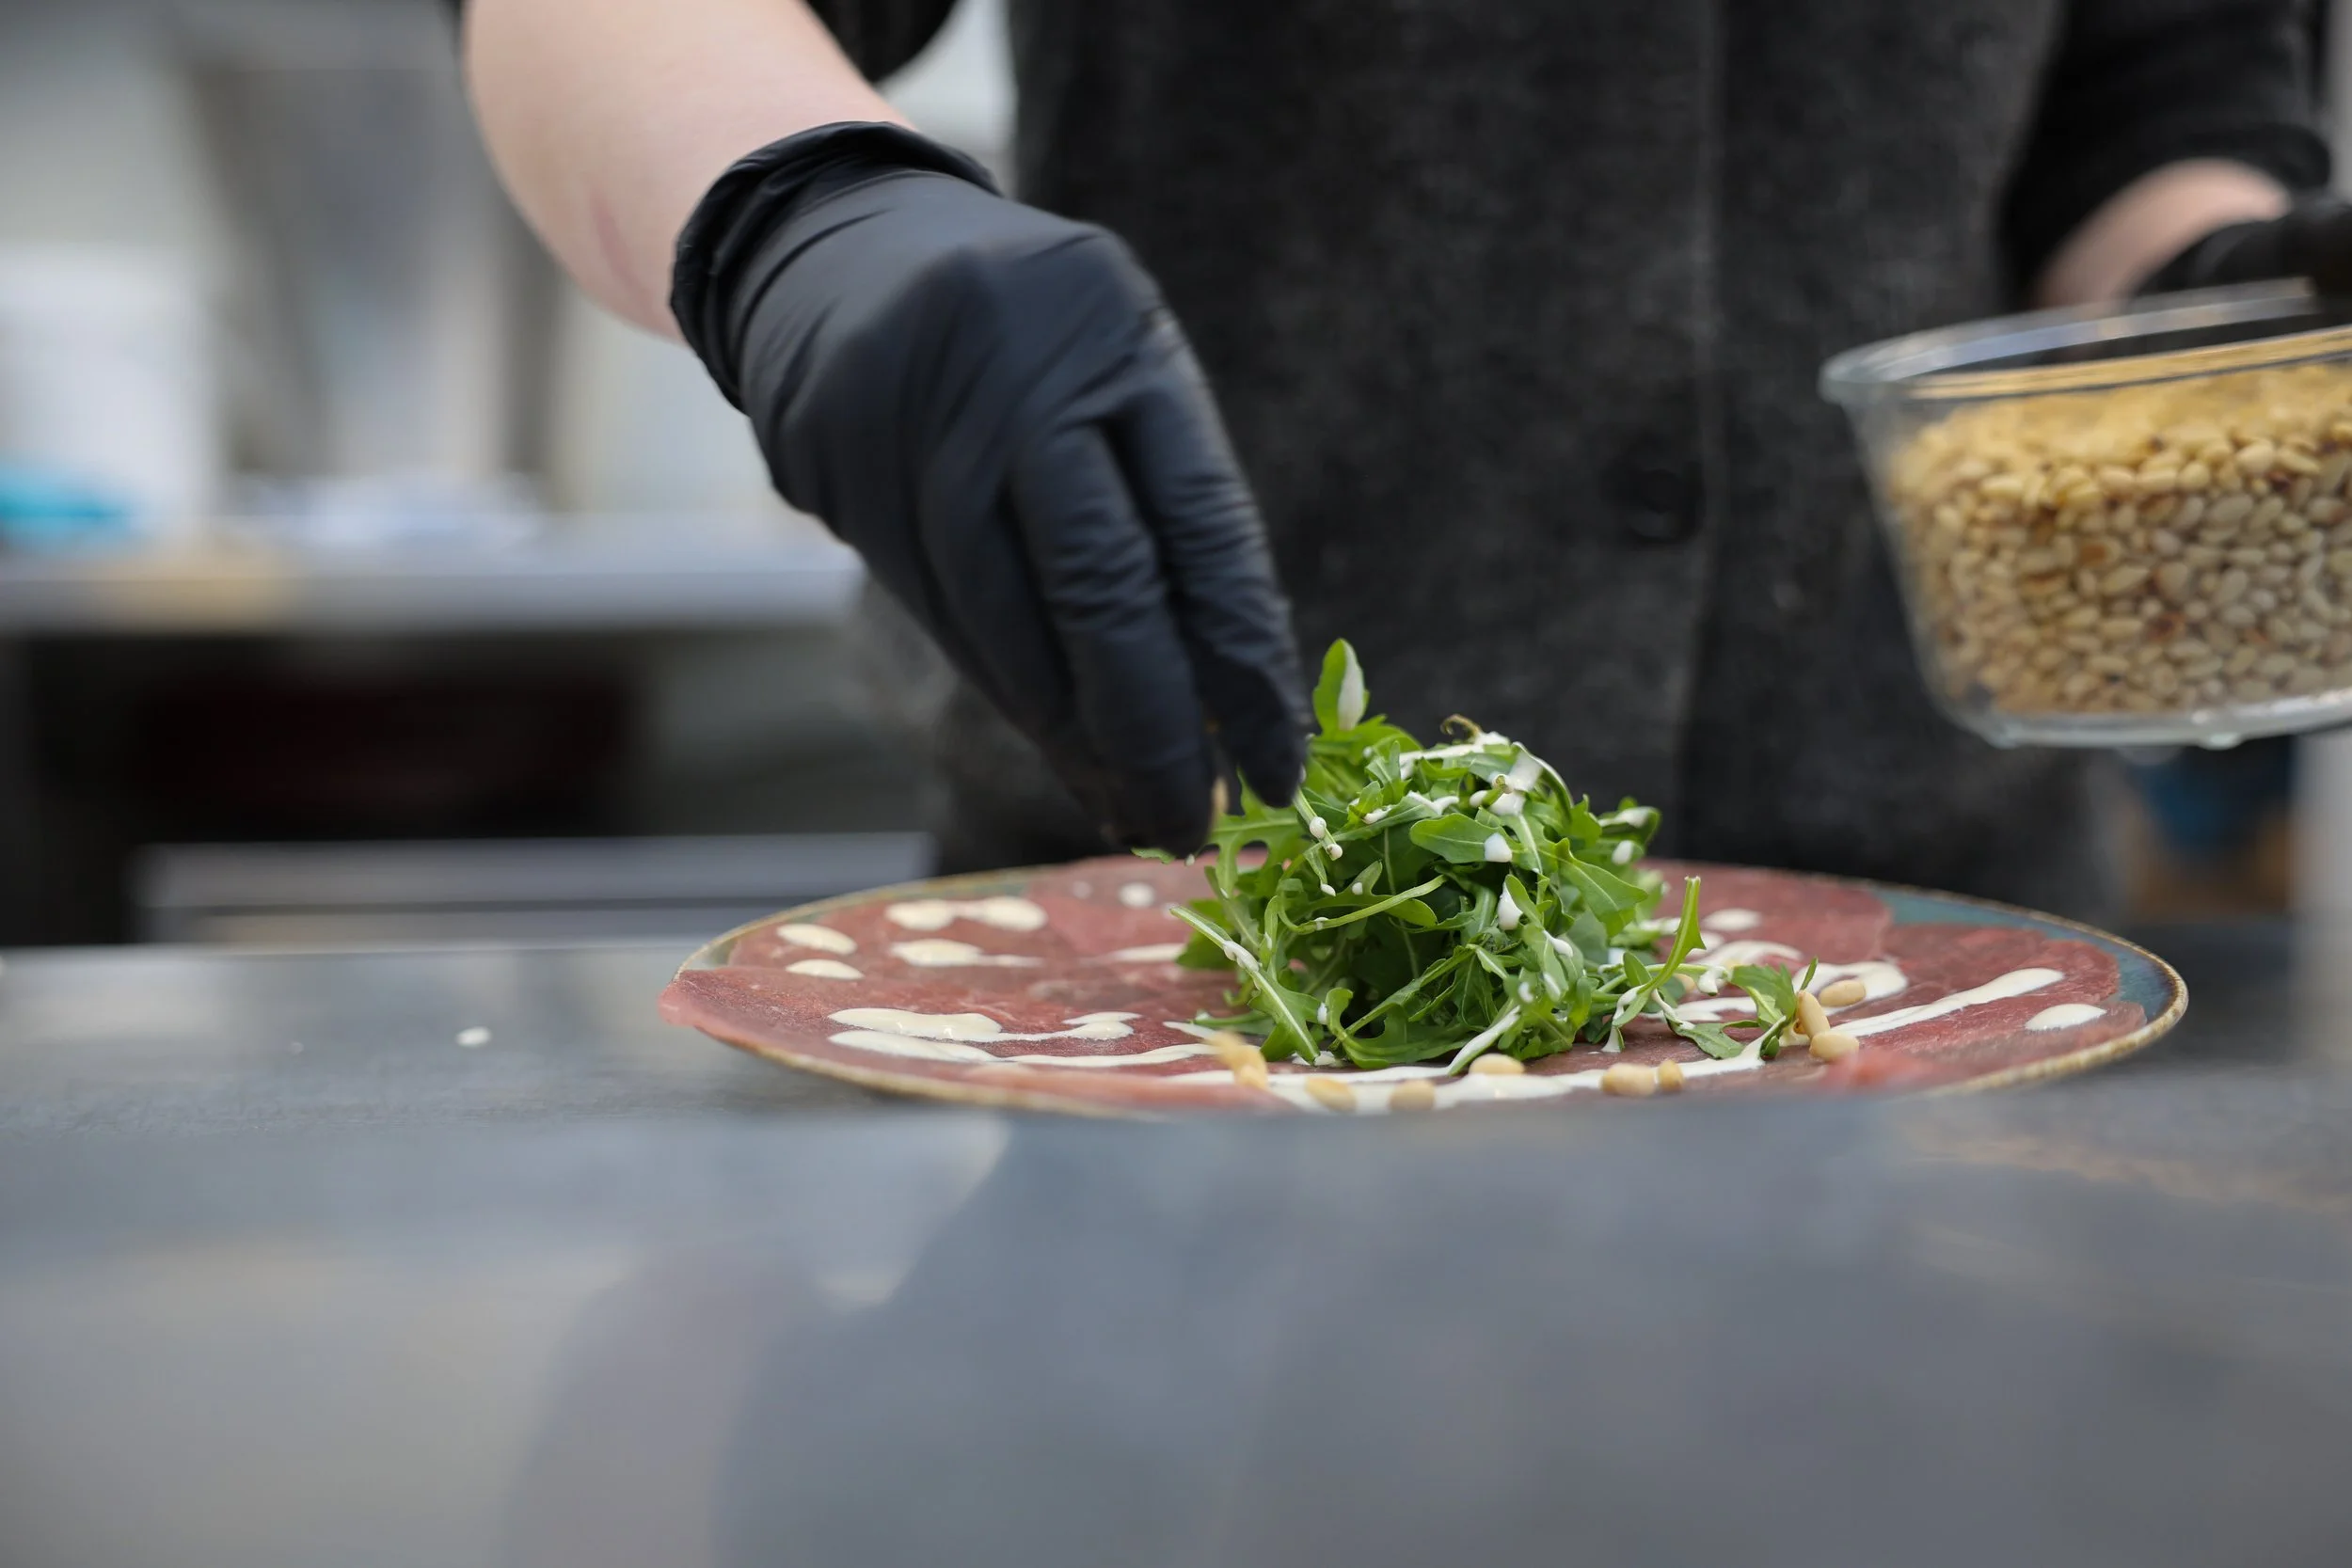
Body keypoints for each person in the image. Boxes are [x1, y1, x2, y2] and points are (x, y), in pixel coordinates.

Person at [462, 0, 2343, 914]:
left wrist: (2230, 321)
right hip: (1170, 934)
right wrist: (799, 211)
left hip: (1933, 959)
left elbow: (2145, 105)